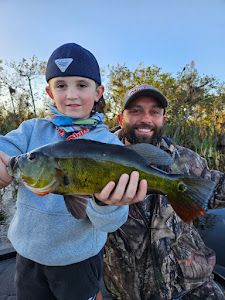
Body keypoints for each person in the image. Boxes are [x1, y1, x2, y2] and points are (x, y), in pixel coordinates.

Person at [0, 44, 147, 300]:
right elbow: (5, 147)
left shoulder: (111, 147)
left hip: (79, 262)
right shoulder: (31, 131)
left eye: (82, 85)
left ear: (98, 91)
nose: (71, 95)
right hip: (28, 257)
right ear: (49, 91)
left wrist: (105, 203)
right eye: (61, 85)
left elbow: (110, 224)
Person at [103, 84, 225, 299]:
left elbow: (216, 188)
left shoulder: (187, 161)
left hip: (190, 285)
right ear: (121, 119)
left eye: (155, 112)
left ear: (163, 120)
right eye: (136, 110)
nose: (146, 119)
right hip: (127, 291)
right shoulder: (100, 157)